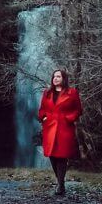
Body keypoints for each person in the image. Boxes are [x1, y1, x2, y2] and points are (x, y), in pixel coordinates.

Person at [37, 68, 82, 196]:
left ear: (64, 79)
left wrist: (69, 118)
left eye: (58, 76)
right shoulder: (47, 93)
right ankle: (60, 182)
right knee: (52, 154)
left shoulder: (72, 93)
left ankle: (60, 184)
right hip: (50, 127)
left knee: (62, 155)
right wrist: (43, 118)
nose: (55, 78)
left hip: (64, 127)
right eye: (54, 76)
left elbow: (78, 110)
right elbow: (42, 109)